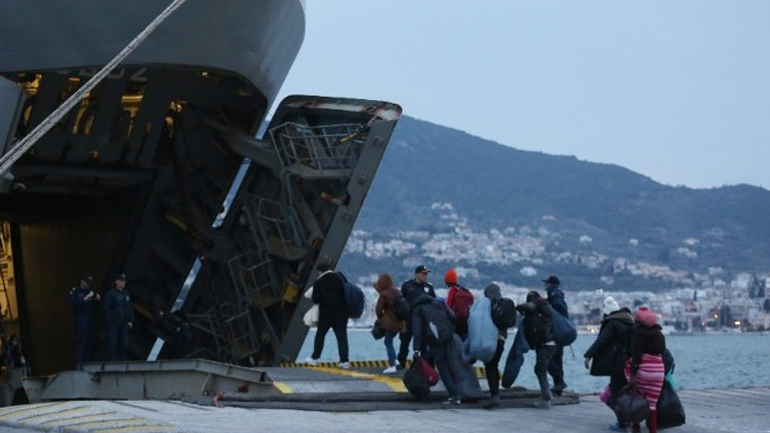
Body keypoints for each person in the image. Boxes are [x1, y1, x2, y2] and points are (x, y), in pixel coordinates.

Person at [583, 296, 634, 431]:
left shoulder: (613, 323)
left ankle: (622, 423)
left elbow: (602, 340)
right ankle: (629, 419)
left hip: (618, 363)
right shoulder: (629, 321)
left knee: (616, 392)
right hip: (630, 362)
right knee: (626, 391)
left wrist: (588, 354)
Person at [410, 292, 458, 404]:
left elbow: (417, 331)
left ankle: (454, 395)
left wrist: (416, 350)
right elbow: (452, 316)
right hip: (448, 335)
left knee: (442, 366)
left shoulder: (418, 309)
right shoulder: (438, 303)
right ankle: (424, 391)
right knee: (429, 360)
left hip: (436, 339)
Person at [626, 306, 666, 433]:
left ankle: (636, 429)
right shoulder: (659, 334)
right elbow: (663, 352)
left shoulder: (638, 334)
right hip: (658, 371)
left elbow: (636, 357)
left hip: (643, 371)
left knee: (637, 399)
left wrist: (632, 376)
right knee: (652, 405)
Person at [516, 290, 557, 409]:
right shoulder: (545, 307)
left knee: (540, 370)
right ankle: (547, 393)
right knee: (541, 369)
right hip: (551, 343)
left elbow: (528, 306)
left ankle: (546, 399)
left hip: (545, 344)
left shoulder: (536, 305)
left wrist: (517, 307)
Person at [305, 263, 350, 368]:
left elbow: (315, 300)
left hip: (326, 315)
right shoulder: (340, 278)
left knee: (320, 336)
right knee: (342, 338)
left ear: (320, 272)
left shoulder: (318, 282)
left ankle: (315, 358)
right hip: (341, 314)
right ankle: (344, 361)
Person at [397, 265, 436, 368]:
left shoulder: (429, 288)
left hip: (422, 321)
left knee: (423, 345)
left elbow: (434, 303)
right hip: (408, 319)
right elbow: (401, 301)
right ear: (417, 274)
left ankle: (424, 366)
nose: (425, 276)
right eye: (423, 273)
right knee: (405, 342)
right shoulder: (407, 285)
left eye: (426, 274)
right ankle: (401, 363)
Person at [373, 273, 406, 374]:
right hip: (400, 323)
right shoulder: (397, 292)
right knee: (390, 341)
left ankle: (392, 365)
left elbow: (378, 309)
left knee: (388, 342)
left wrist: (381, 319)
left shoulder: (384, 294)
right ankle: (395, 361)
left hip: (390, 324)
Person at [481, 283, 507, 409]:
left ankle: (494, 397)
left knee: (490, 366)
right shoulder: (503, 305)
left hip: (491, 340)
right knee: (494, 366)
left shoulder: (488, 306)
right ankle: (495, 394)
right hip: (502, 340)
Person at [543, 275, 569, 395]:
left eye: (546, 283)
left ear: (550, 284)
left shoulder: (554, 294)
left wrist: (547, 307)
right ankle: (558, 385)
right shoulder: (557, 294)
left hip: (555, 332)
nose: (544, 285)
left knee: (548, 358)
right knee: (558, 359)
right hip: (560, 333)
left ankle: (559, 382)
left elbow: (558, 307)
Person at [68, 274, 100, 368]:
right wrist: (85, 298)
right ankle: (79, 363)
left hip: (89, 318)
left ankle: (88, 362)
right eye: (86, 282)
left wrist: (96, 297)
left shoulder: (90, 291)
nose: (88, 284)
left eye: (89, 283)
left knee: (89, 341)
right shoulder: (76, 291)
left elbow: (97, 302)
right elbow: (73, 303)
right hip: (80, 318)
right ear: (82, 281)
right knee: (80, 340)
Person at [103, 273, 133, 361]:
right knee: (112, 344)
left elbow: (129, 308)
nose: (124, 282)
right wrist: (110, 320)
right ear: (117, 282)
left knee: (123, 345)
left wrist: (130, 320)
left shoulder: (126, 294)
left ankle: (122, 364)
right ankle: (109, 363)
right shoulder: (111, 294)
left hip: (124, 324)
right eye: (122, 280)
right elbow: (106, 308)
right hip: (114, 323)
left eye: (124, 280)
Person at [444, 268, 473, 340]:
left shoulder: (452, 289)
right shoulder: (464, 290)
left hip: (456, 322)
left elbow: (448, 306)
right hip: (465, 323)